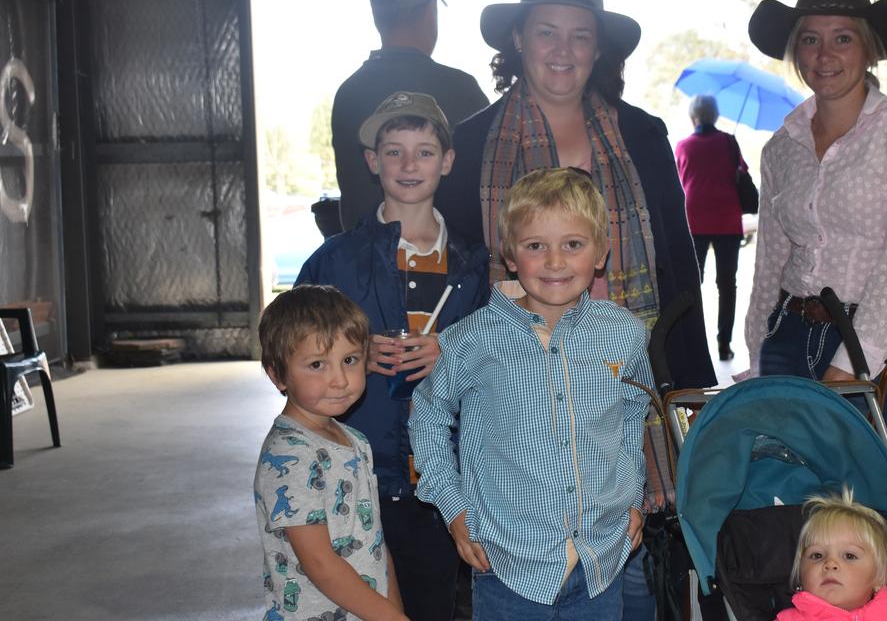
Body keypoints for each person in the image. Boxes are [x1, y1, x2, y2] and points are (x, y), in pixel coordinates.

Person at [435, 0, 716, 394]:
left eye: (579, 36)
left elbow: (677, 261)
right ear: (519, 38)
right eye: (547, 32)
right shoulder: (472, 145)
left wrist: (694, 386)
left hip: (635, 373)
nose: (562, 51)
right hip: (516, 384)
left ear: (598, 48)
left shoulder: (641, 136)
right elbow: (457, 272)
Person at [410, 167, 652, 620]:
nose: (555, 262)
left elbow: (633, 413)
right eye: (536, 246)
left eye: (573, 245)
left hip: (602, 556)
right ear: (511, 255)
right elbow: (427, 415)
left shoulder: (625, 334)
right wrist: (455, 509)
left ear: (601, 252)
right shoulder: (472, 338)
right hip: (507, 564)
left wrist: (634, 496)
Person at [297, 91, 490, 621]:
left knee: (430, 604)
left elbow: (505, 368)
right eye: (394, 151)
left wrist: (449, 354)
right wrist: (350, 357)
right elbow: (287, 358)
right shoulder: (334, 262)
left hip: (439, 485)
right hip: (353, 478)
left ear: (447, 162)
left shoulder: (476, 267)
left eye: (425, 151)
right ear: (371, 161)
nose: (409, 165)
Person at [743, 0, 887, 438]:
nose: (824, 54)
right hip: (787, 332)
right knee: (780, 488)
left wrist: (854, 362)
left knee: (854, 496)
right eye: (810, 39)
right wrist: (758, 351)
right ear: (796, 48)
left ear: (868, 49)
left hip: (869, 336)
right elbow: (770, 261)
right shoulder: (783, 144)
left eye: (842, 38)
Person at [253, 285, 410, 621]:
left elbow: (375, 545)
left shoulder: (354, 440)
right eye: (317, 365)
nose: (340, 379)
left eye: (349, 360)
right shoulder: (289, 456)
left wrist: (393, 609)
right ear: (277, 374)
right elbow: (321, 564)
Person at [333, 0, 489, 230]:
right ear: (431, 11)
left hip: (363, 264)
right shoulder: (462, 90)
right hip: (448, 263)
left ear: (377, 17)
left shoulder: (349, 94)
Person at [675, 94, 749, 362]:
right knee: (727, 285)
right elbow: (741, 172)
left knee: (693, 284)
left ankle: (694, 346)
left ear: (693, 116)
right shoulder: (729, 142)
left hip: (694, 220)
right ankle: (724, 344)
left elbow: (679, 182)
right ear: (715, 116)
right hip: (727, 220)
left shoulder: (683, 146)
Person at [776, 489, 887, 620]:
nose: (830, 564)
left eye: (849, 556)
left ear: (880, 575)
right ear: (800, 575)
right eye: (817, 555)